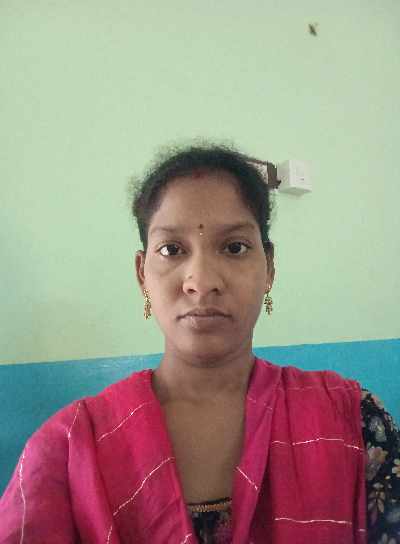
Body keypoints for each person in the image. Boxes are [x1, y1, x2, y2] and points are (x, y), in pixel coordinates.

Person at [0, 144, 399, 543]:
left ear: (269, 268)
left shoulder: (355, 421)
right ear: (142, 274)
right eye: (171, 250)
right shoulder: (67, 450)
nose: (201, 281)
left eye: (235, 247)